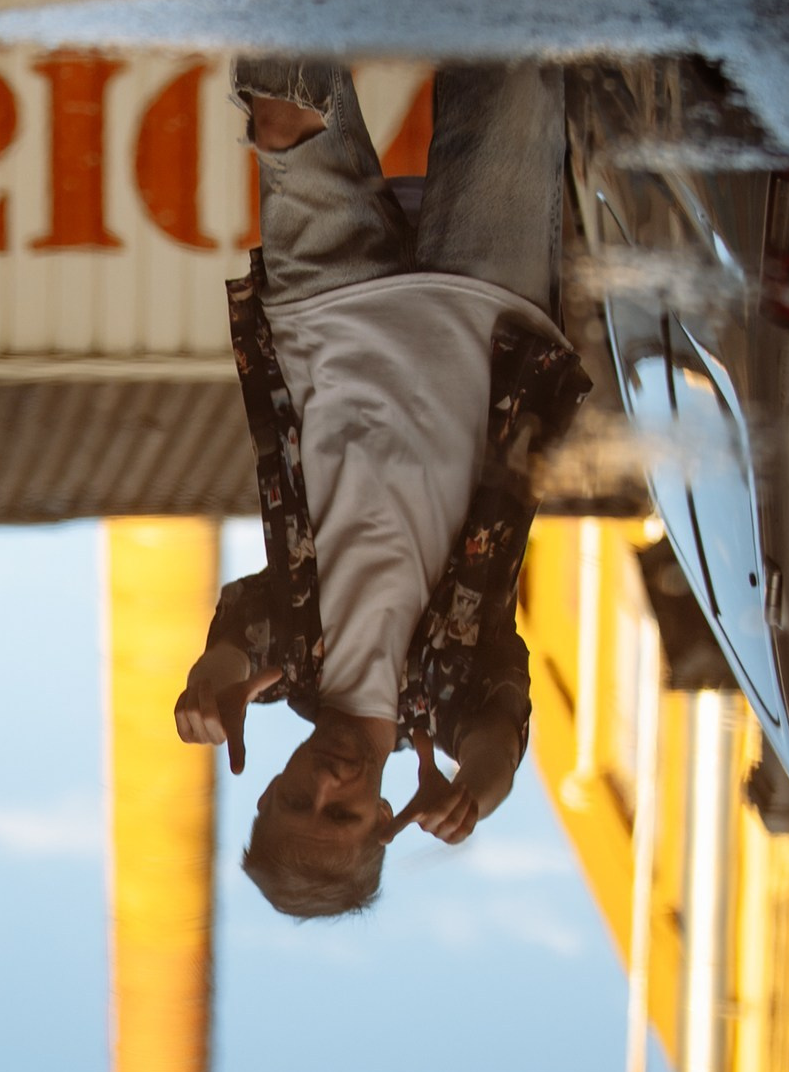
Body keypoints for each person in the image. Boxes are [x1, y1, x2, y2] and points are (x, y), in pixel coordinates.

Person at [173, 59, 594, 918]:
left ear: (270, 789)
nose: (327, 784)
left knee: (284, 108)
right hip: (487, 321)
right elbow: (498, 730)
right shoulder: (447, 698)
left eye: (298, 800)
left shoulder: (288, 664)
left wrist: (211, 682)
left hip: (330, 321)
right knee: (514, 63)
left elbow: (237, 637)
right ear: (384, 823)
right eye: (344, 813)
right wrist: (475, 792)